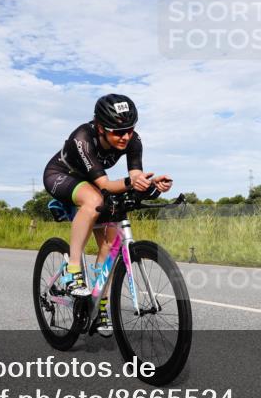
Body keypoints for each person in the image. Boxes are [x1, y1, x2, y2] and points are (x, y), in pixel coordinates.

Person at [42, 94, 172, 336]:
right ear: (101, 127)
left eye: (130, 130)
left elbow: (135, 179)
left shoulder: (133, 141)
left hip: (94, 182)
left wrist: (153, 186)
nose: (125, 137)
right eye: (117, 132)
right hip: (62, 175)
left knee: (111, 242)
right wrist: (132, 182)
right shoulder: (83, 137)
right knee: (94, 200)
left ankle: (100, 303)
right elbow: (105, 185)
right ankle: (73, 270)